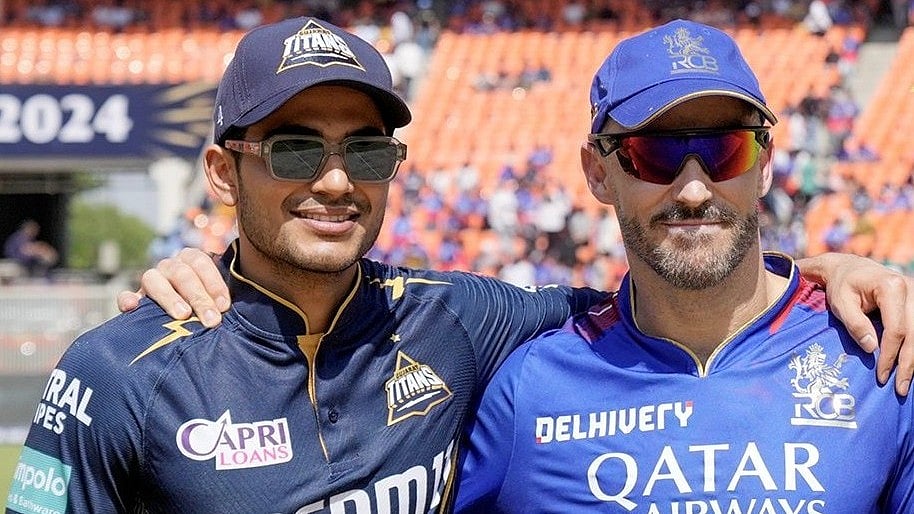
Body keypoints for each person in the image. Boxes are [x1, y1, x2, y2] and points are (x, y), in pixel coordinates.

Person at [59, 16, 910, 514]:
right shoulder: (119, 370)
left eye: (364, 150)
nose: (332, 181)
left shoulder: (458, 321)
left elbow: (684, 286)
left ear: (765, 161)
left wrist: (821, 271)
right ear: (221, 172)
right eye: (290, 150)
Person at [455, 20, 914, 512]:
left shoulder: (881, 359)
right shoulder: (528, 392)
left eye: (725, 148)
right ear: (597, 173)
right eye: (655, 152)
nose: (694, 191)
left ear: (763, 166)